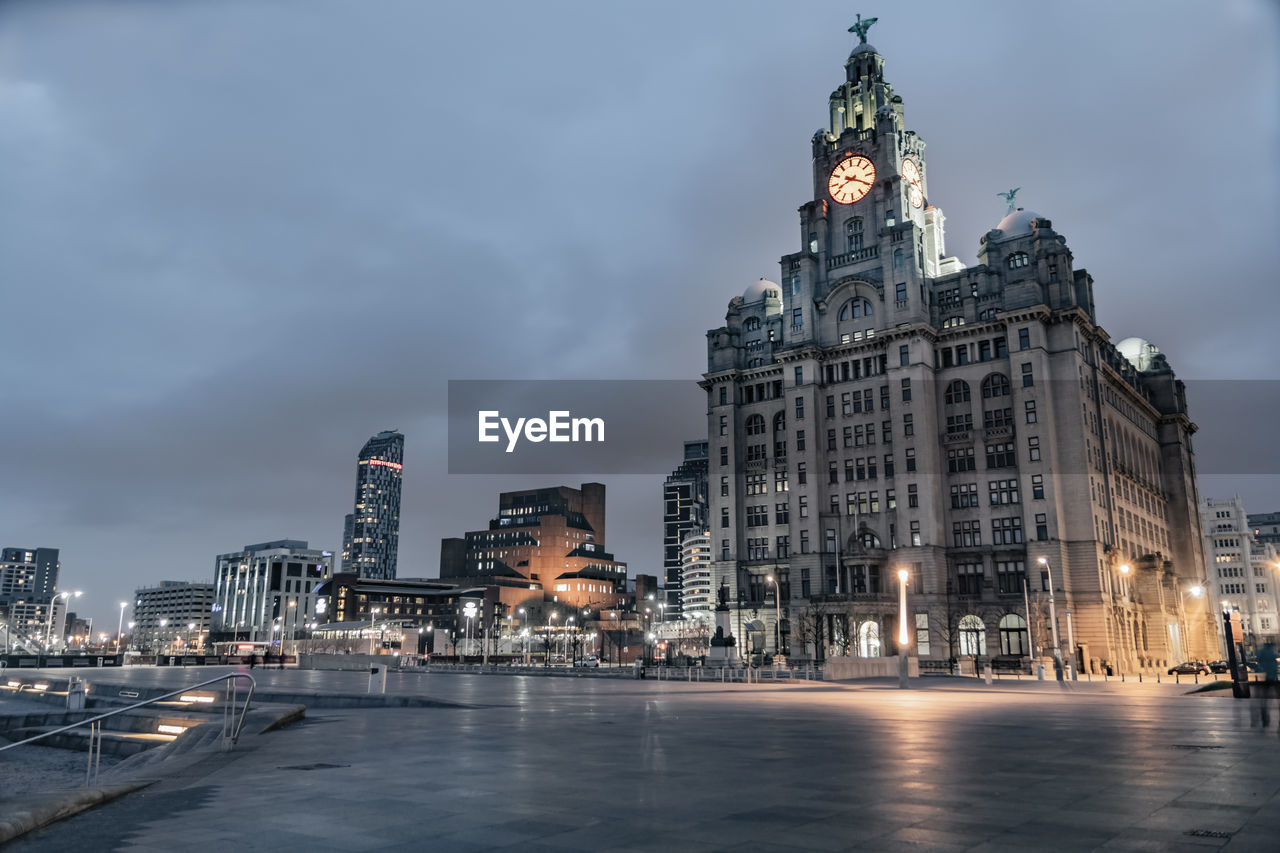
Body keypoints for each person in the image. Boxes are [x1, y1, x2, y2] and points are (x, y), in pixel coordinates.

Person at [1258, 641, 1278, 728]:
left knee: (1265, 698)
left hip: (1266, 677)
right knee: (1275, 696)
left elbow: (1260, 662)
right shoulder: (1272, 653)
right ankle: (1265, 716)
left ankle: (1264, 717)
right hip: (1272, 677)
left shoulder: (1262, 652)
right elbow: (1274, 664)